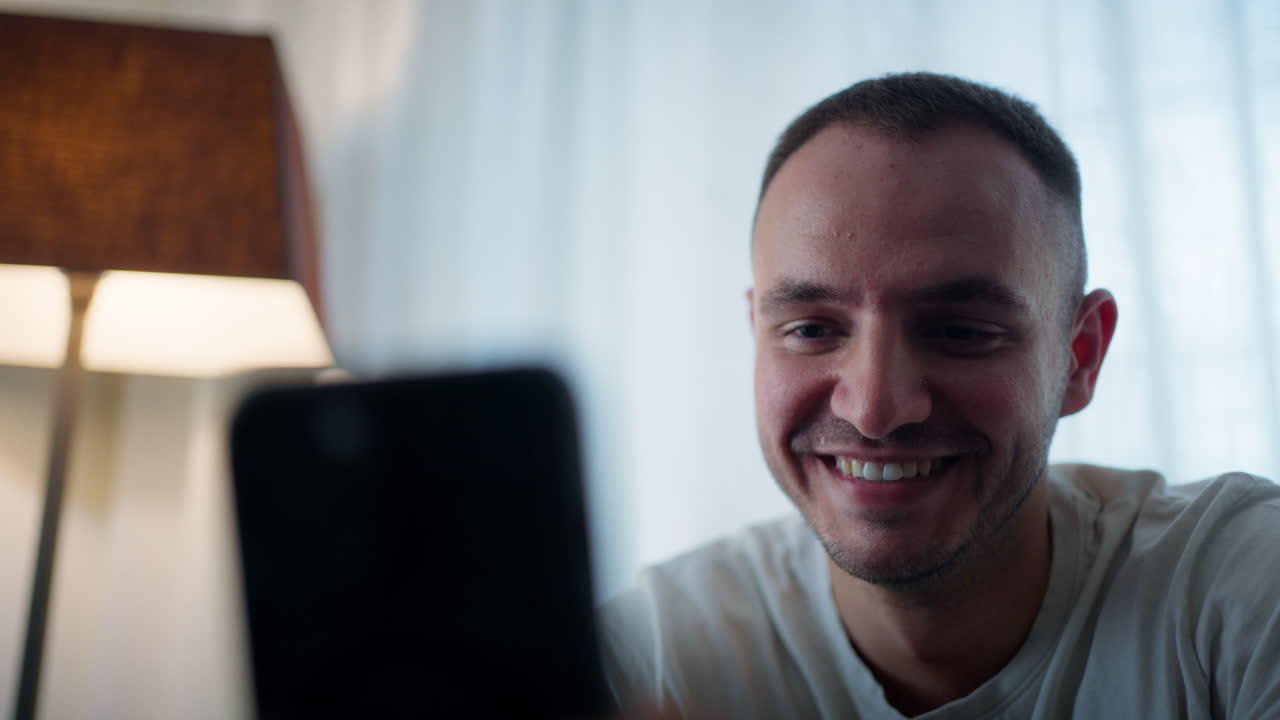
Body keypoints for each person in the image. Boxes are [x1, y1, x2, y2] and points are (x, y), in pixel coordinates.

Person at [598, 72, 1280, 719]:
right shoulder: (652, 658)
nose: (873, 408)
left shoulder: (1239, 591)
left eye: (960, 331)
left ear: (1079, 356)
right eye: (810, 329)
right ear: (757, 336)